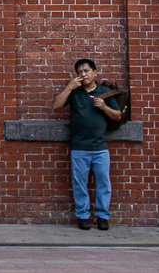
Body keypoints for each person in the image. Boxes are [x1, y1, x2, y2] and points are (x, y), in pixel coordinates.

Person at [53, 57, 122, 230]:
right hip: (79, 147)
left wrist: (104, 107)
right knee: (80, 184)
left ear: (95, 73)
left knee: (103, 184)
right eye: (79, 72)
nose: (83, 75)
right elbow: (56, 105)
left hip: (100, 147)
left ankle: (102, 217)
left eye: (86, 71)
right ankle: (83, 216)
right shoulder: (74, 93)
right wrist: (69, 86)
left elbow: (118, 116)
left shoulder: (104, 92)